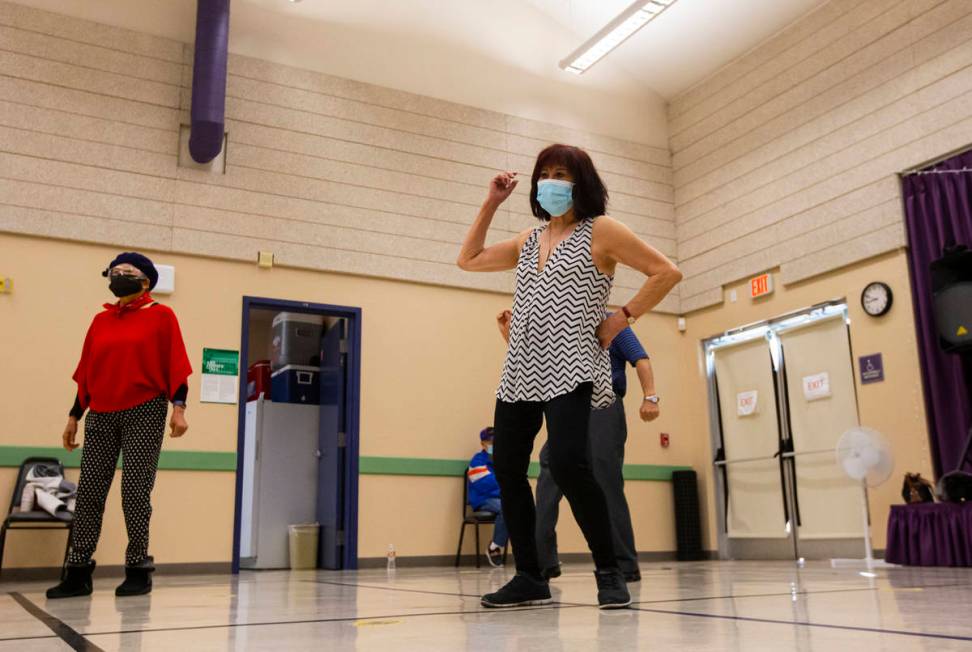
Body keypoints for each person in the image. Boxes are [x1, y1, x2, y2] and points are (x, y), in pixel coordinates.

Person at [456, 144, 681, 609]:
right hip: (520, 368)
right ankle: (530, 576)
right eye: (545, 174)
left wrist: (621, 319)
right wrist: (491, 202)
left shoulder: (602, 231)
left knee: (571, 465)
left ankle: (609, 572)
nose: (551, 181)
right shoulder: (528, 240)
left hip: (572, 366)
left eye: (562, 173)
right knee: (509, 469)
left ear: (581, 182)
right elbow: (469, 259)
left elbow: (666, 271)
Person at [47, 252, 192, 599]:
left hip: (145, 409)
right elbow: (87, 374)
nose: (118, 275)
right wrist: (73, 417)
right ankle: (78, 572)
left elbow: (176, 365)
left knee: (135, 493)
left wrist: (179, 408)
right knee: (90, 493)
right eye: (114, 271)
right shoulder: (101, 321)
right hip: (101, 412)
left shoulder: (162, 316)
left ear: (145, 281)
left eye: (126, 271)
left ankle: (138, 568)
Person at [497, 310, 658, 583]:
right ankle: (542, 562)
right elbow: (535, 361)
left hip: (603, 406)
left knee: (606, 480)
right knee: (549, 472)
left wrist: (650, 397)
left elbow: (640, 359)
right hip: (570, 406)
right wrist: (510, 333)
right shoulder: (563, 322)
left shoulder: (611, 321)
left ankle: (623, 564)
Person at [466, 427, 509, 567]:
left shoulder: (503, 461)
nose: (494, 445)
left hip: (500, 498)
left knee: (525, 508)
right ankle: (494, 547)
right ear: (483, 444)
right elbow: (487, 485)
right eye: (491, 442)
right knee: (507, 508)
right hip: (483, 500)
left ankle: (536, 553)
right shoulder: (477, 461)